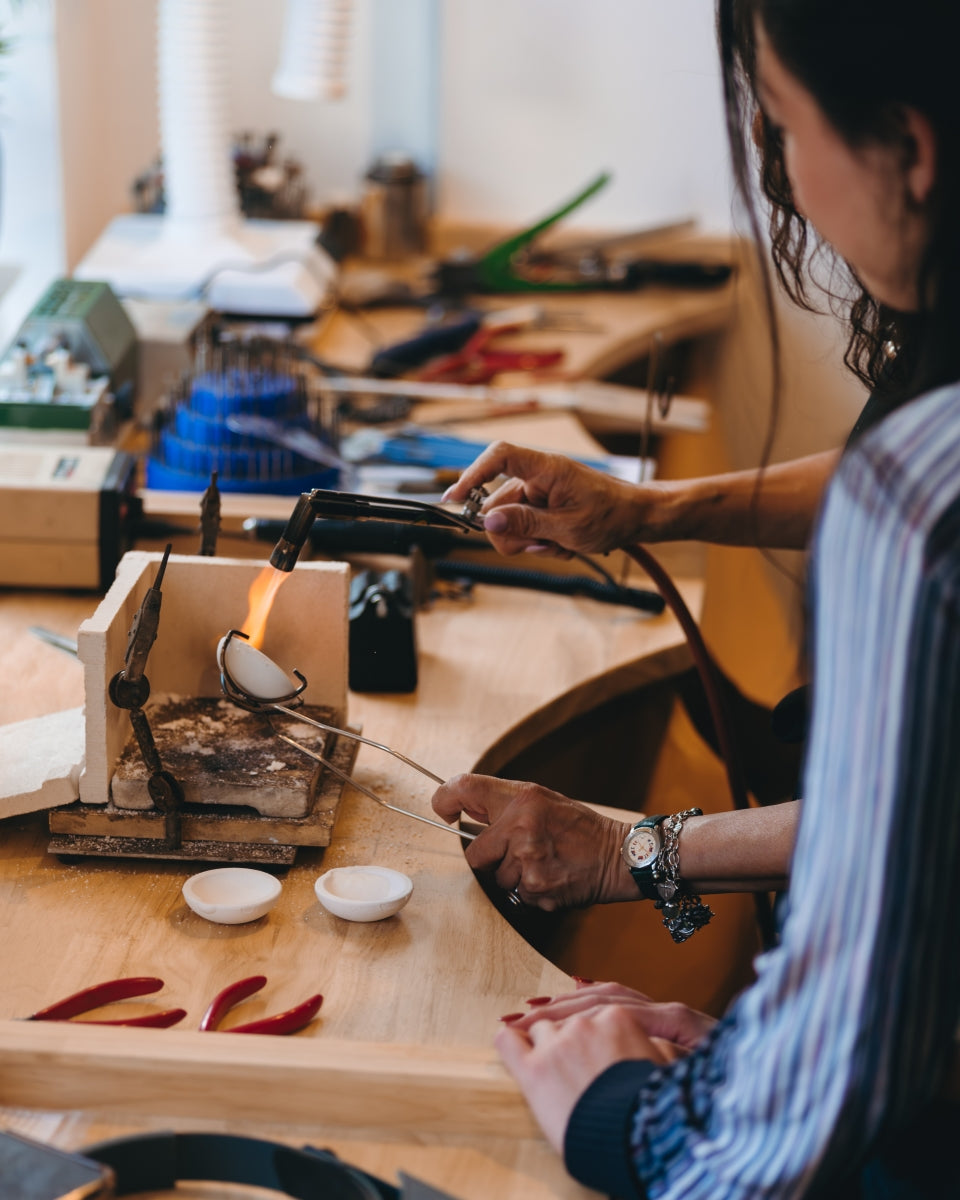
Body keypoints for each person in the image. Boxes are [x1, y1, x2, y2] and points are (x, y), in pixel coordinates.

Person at [431, 1, 960, 1194]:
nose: (785, 182)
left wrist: (632, 1110)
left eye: (778, 122)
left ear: (911, 149)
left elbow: (795, 1118)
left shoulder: (919, 514)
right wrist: (649, 509)